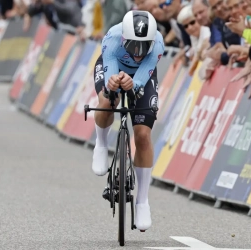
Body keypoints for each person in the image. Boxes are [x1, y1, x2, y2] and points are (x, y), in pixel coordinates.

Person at [92, 10, 165, 232]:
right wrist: (113, 82)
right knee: (107, 100)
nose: (138, 52)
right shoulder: (112, 38)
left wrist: (134, 84)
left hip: (142, 77)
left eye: (144, 46)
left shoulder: (159, 44)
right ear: (124, 38)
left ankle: (142, 201)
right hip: (113, 67)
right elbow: (110, 75)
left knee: (142, 135)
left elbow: (142, 76)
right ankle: (101, 143)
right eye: (133, 45)